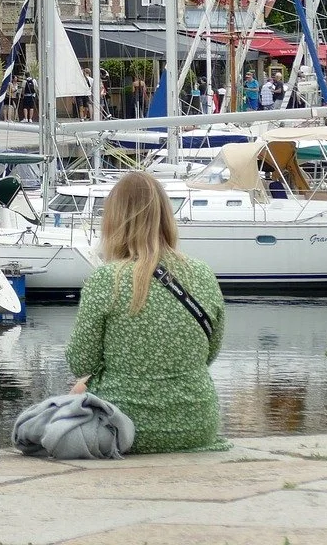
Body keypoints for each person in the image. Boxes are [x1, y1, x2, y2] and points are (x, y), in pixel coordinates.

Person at [65, 171, 224, 454]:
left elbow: (81, 362)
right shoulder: (203, 274)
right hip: (197, 425)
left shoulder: (106, 279)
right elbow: (209, 352)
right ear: (166, 216)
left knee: (69, 397)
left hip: (124, 426)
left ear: (113, 220)